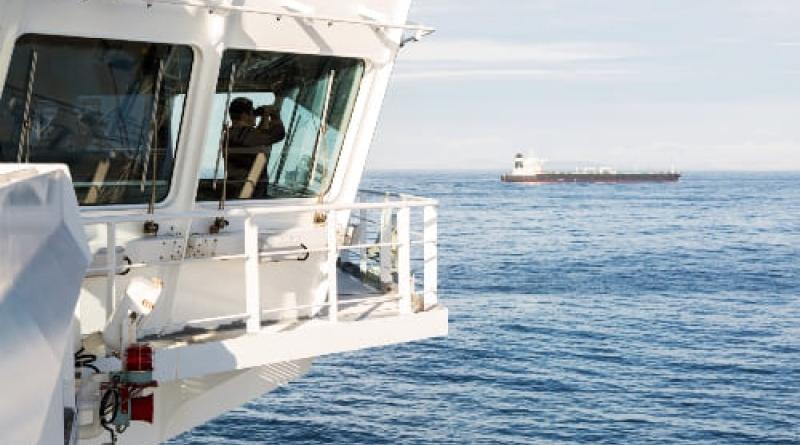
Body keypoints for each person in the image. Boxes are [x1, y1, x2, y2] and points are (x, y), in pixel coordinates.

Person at [225, 96, 286, 198]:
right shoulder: (243, 134)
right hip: (248, 194)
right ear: (244, 115)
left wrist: (264, 117)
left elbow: (258, 139)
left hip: (239, 191)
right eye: (252, 112)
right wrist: (275, 116)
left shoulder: (232, 134)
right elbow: (278, 134)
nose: (255, 115)